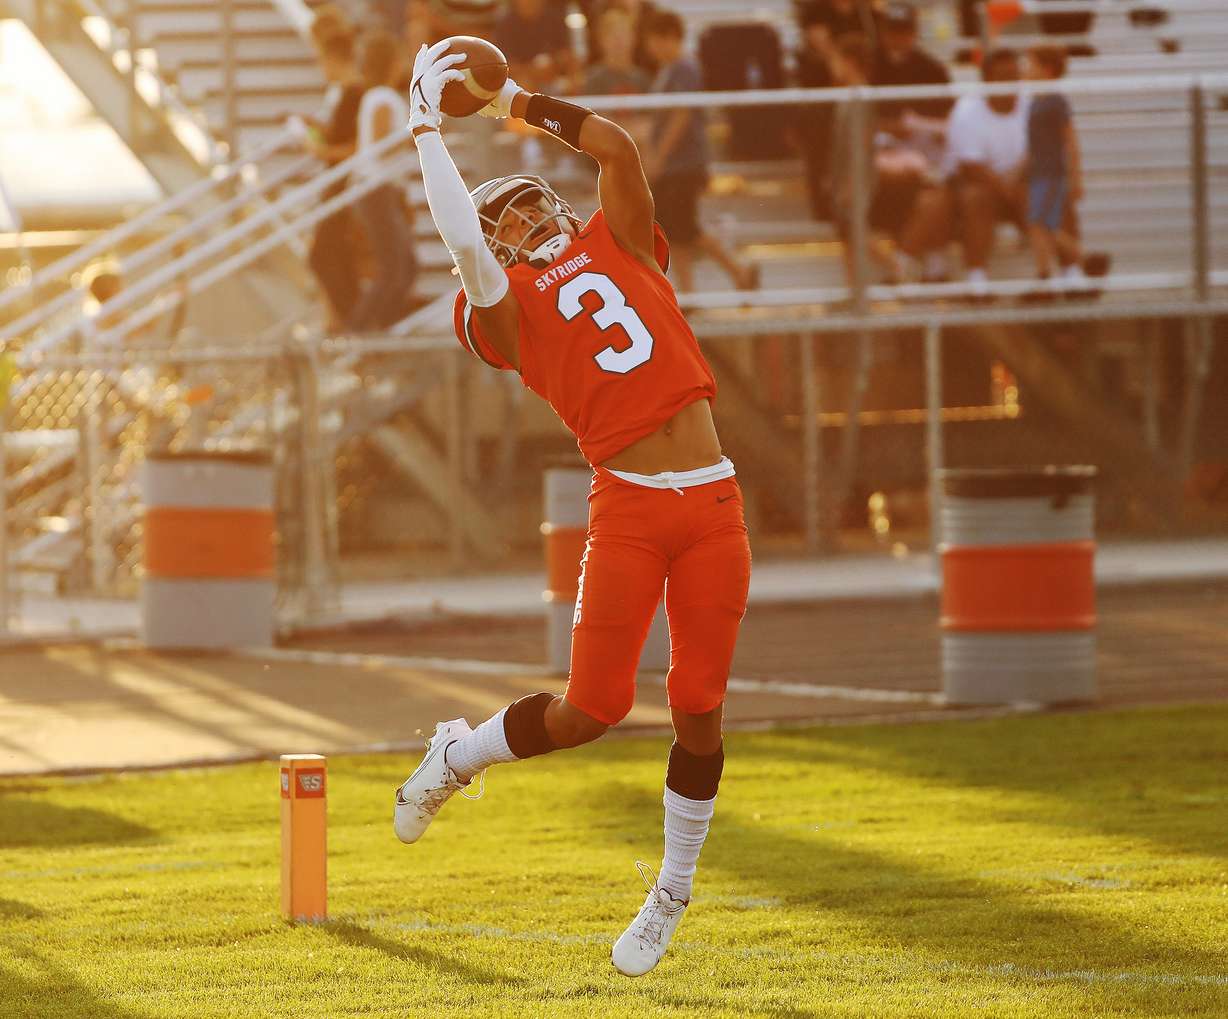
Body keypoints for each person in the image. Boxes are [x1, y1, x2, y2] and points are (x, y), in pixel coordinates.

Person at [397, 39, 753, 978]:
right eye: (510, 219)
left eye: (528, 203)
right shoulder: (501, 307)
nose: (528, 220)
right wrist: (426, 127)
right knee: (595, 706)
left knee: (700, 702)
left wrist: (516, 100)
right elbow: (463, 242)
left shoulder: (620, 240)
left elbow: (618, 151)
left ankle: (672, 887)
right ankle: (460, 754)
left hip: (712, 499)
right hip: (631, 506)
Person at [640, 10, 757, 294]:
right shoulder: (670, 70)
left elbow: (682, 114)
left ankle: (738, 271)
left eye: (654, 40)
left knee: (686, 227)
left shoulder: (684, 68)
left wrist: (660, 155)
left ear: (668, 37)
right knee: (675, 232)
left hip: (684, 164)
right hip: (674, 166)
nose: (650, 48)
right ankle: (689, 292)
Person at [829, 33, 951, 288]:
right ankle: (854, 288)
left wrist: (852, 179)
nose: (834, 66)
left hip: (856, 175)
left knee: (854, 231)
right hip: (847, 173)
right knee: (847, 234)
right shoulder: (848, 96)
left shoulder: (860, 97)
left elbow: (862, 142)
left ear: (850, 62)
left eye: (838, 60)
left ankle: (895, 266)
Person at [1023, 45, 1109, 297]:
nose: (1026, 70)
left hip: (1051, 174)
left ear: (1047, 70)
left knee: (1041, 225)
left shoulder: (1056, 101)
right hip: (1038, 172)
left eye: (1031, 64)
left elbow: (1070, 141)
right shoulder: (1035, 101)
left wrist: (1076, 177)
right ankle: (1053, 273)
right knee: (1039, 225)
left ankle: (1076, 264)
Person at [943, 47, 1029, 297]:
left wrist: (1014, 180)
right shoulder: (966, 111)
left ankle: (1064, 274)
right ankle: (977, 280)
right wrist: (1004, 187)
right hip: (977, 185)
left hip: (1018, 182)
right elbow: (971, 167)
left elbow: (1037, 150)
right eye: (1004, 77)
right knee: (977, 198)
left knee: (1049, 192)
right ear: (987, 81)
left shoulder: (1030, 104)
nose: (1011, 83)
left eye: (1015, 76)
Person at [349, 28, 420, 330]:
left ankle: (380, 329)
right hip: (376, 189)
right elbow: (380, 144)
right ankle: (362, 332)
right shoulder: (382, 97)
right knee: (395, 268)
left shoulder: (378, 96)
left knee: (405, 266)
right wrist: (415, 133)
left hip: (383, 188)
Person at [302, 19, 366, 328]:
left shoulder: (355, 94)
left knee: (323, 256)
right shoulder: (347, 94)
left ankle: (353, 321)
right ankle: (351, 321)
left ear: (333, 58)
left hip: (343, 183)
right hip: (337, 181)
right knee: (335, 255)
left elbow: (359, 144)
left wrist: (322, 151)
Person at [582, 6, 652, 147]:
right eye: (612, 36)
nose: (618, 42)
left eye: (623, 35)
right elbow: (597, 127)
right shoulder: (594, 79)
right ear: (602, 41)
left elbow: (649, 127)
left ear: (633, 39)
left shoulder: (643, 79)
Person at [495, 0, 576, 93]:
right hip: (523, 79)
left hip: (555, 76)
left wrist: (555, 64)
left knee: (573, 85)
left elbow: (567, 54)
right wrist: (533, 71)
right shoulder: (506, 24)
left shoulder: (554, 18)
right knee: (525, 85)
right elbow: (505, 65)